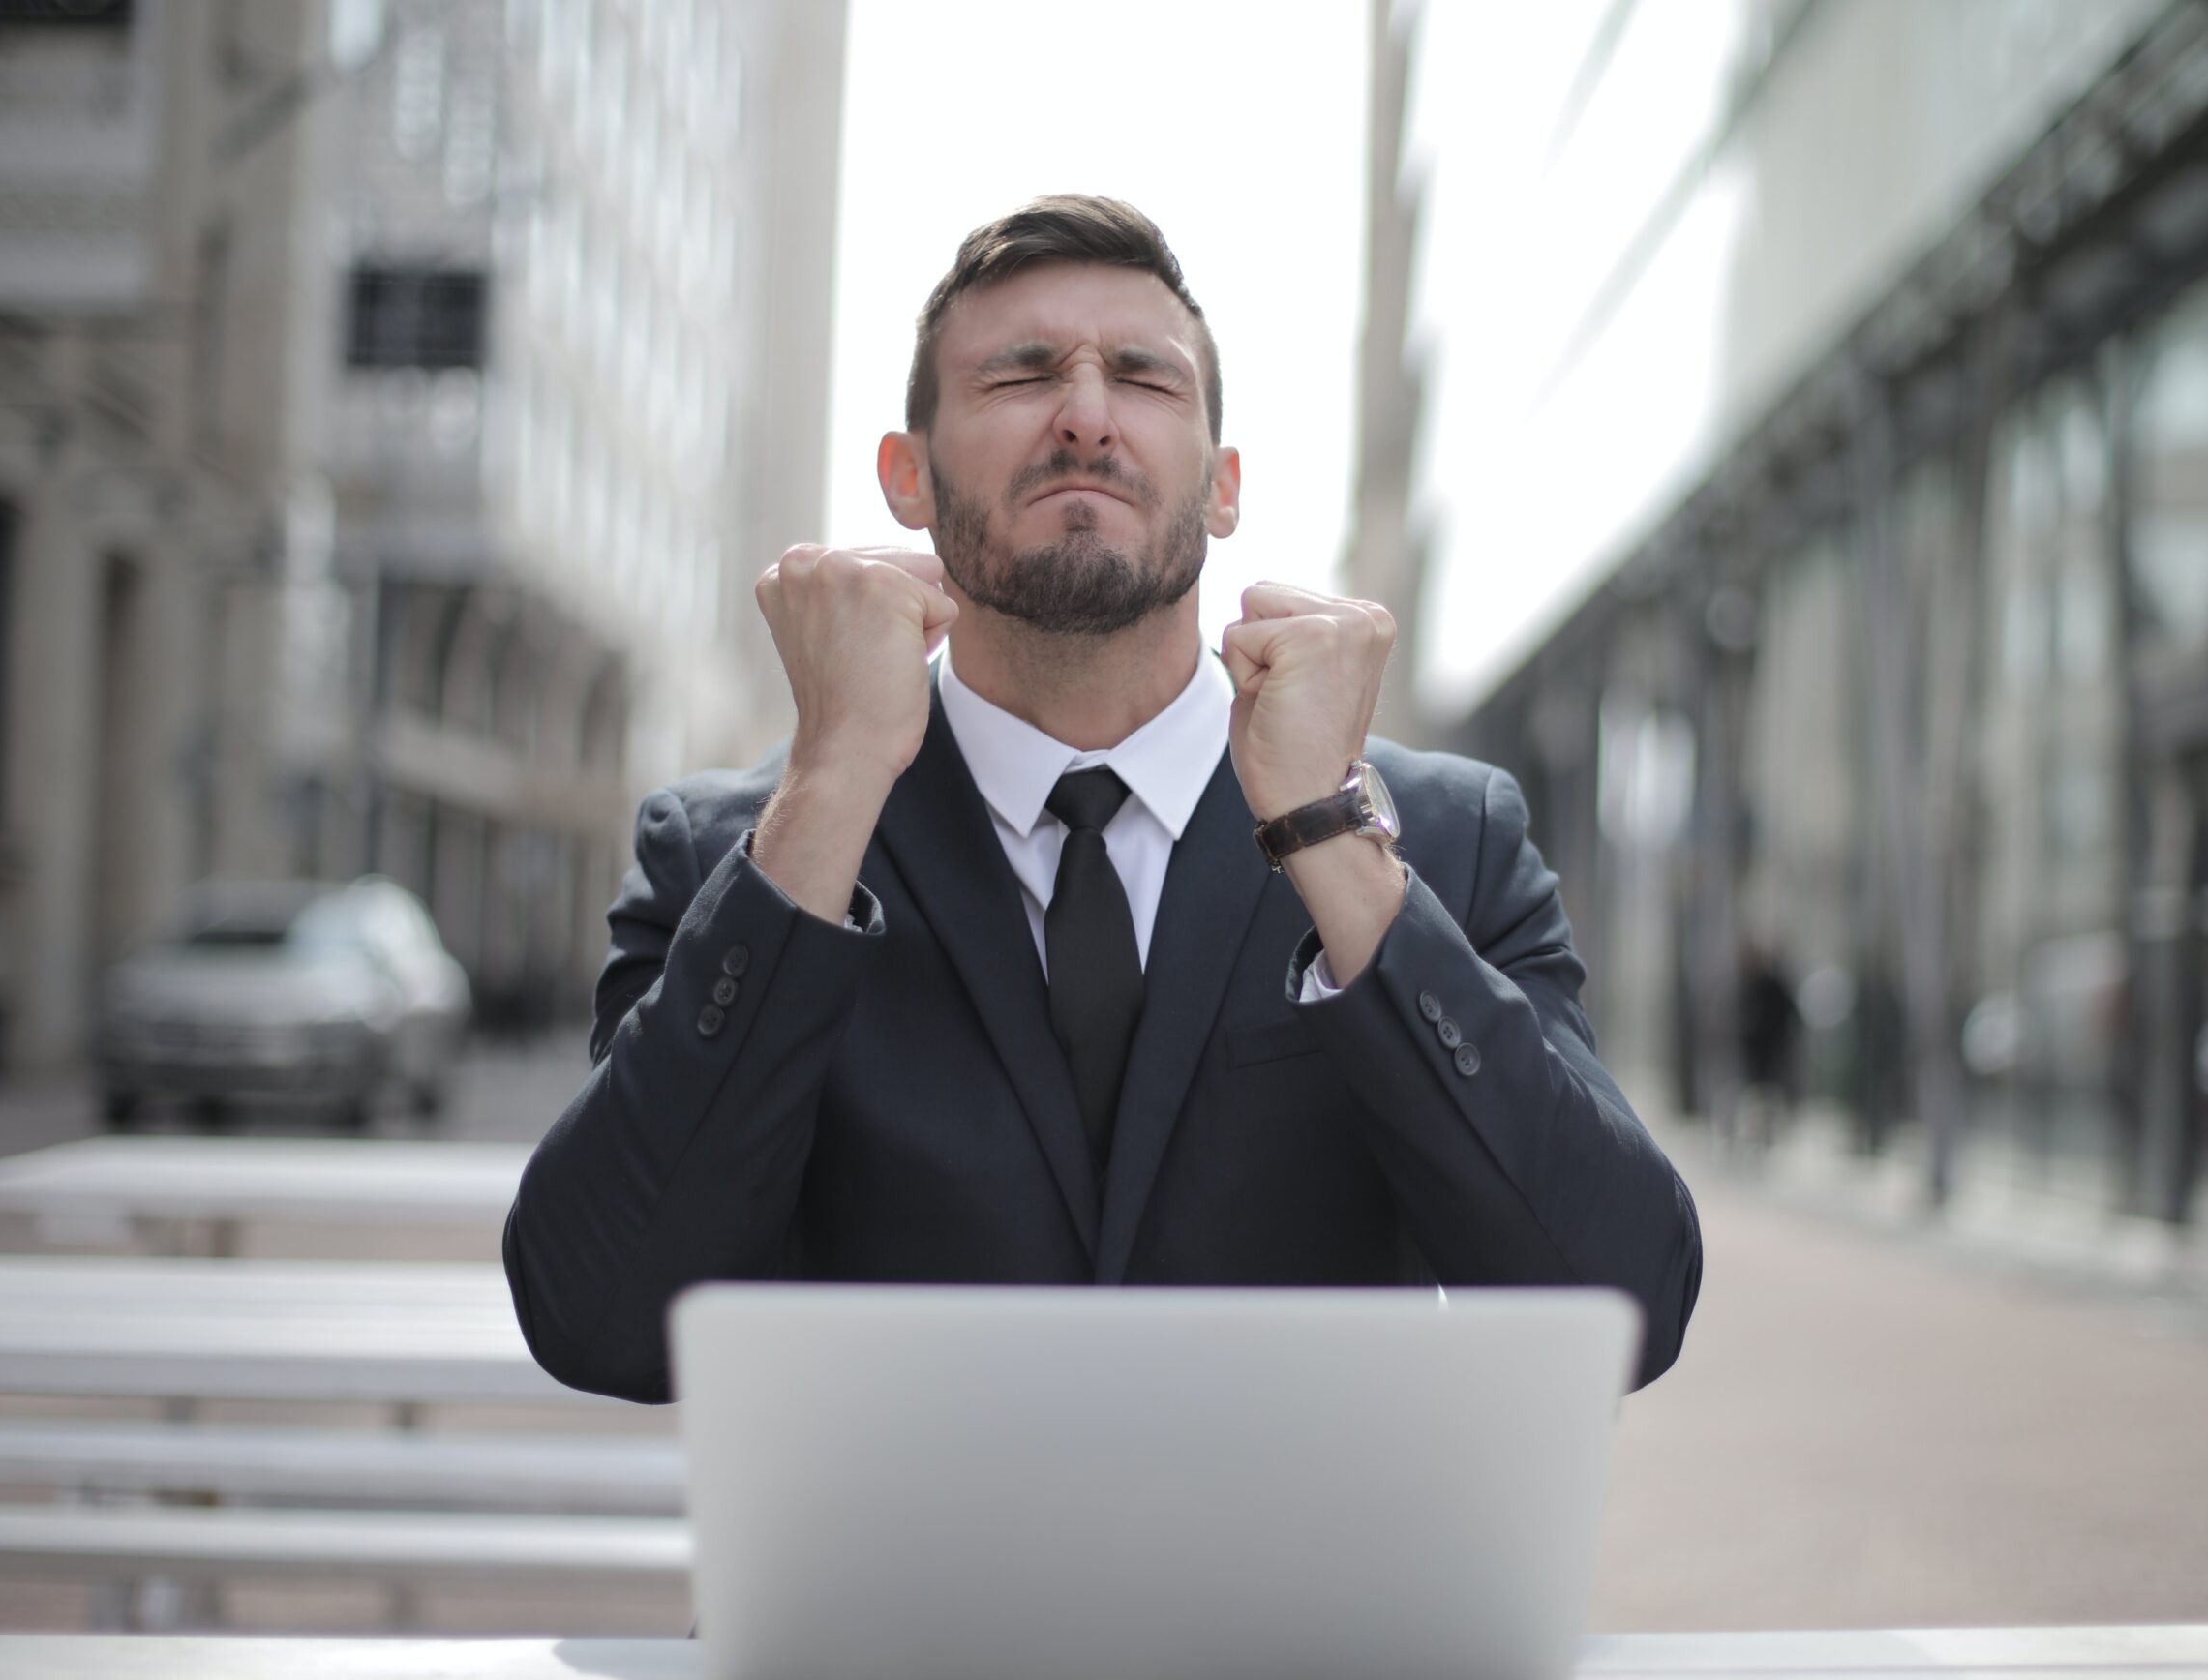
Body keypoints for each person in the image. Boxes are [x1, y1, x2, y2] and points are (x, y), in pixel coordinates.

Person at [504, 195, 1701, 1400]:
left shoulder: (1442, 839)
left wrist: (1326, 832)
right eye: (1022, 375)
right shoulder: (737, 854)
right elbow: (598, 1317)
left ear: (1223, 488)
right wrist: (832, 784)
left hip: (1306, 1594)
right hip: (879, 1596)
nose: (1085, 417)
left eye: (1143, 379)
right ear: (904, 477)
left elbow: (1619, 1309)